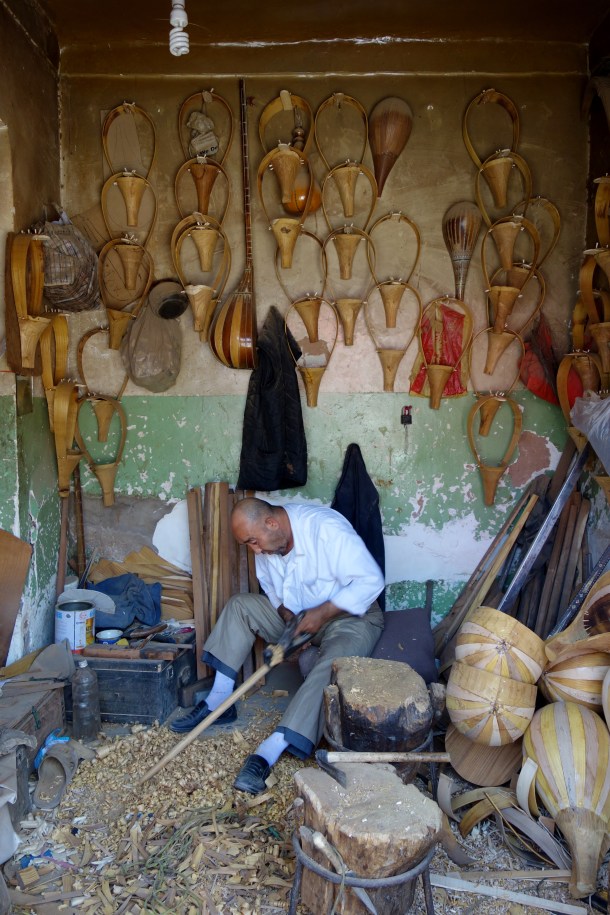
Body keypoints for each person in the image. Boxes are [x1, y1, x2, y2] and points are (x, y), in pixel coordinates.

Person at [170, 497, 385, 794]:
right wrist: (287, 619)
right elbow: (273, 591)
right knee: (240, 606)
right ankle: (220, 699)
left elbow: (371, 581)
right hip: (301, 619)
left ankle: (269, 751)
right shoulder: (270, 540)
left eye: (255, 542)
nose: (255, 550)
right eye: (250, 544)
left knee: (331, 665)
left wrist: (321, 614)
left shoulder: (326, 529)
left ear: (272, 523)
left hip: (351, 617)